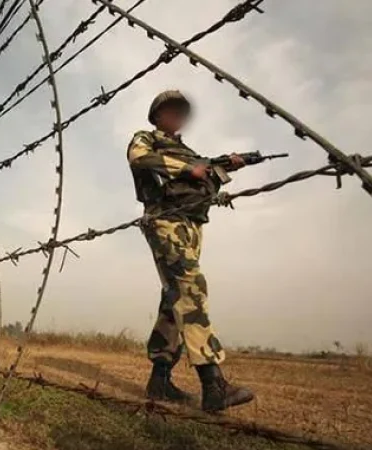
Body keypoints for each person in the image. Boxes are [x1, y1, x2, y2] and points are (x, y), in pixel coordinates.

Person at [126, 90, 255, 412]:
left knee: (175, 300)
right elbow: (138, 157)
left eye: (180, 111)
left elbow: (203, 183)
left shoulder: (189, 151)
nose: (176, 116)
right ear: (156, 115)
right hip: (165, 220)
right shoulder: (147, 138)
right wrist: (189, 168)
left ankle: (160, 381)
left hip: (193, 225)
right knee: (191, 289)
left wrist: (225, 168)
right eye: (170, 110)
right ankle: (214, 384)